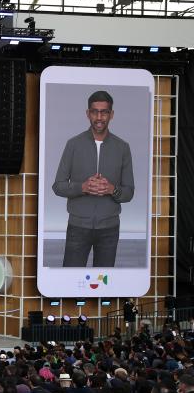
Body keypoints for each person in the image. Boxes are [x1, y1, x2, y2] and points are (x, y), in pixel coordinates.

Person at [52, 90, 134, 267]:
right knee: (71, 282)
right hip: (78, 227)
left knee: (104, 285)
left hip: (109, 229)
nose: (99, 117)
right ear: (87, 113)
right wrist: (83, 187)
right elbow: (58, 186)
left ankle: (102, 297)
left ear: (111, 115)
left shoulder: (123, 147)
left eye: (104, 112)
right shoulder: (73, 144)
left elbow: (129, 192)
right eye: (95, 111)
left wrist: (112, 189)